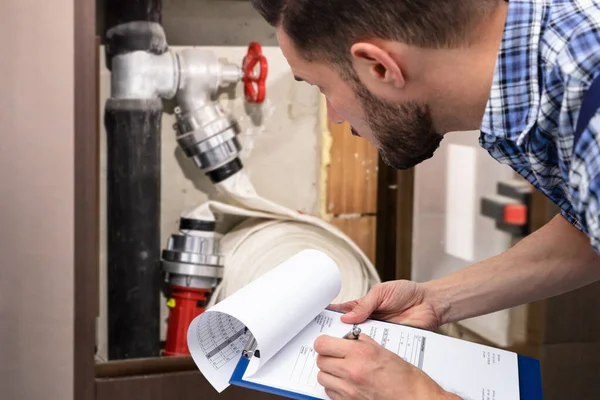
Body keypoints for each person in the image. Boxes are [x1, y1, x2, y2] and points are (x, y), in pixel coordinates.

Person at [250, 0, 600, 398]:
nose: (334, 115)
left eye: (322, 88)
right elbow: (587, 230)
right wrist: (438, 299)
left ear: (380, 67)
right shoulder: (553, 45)